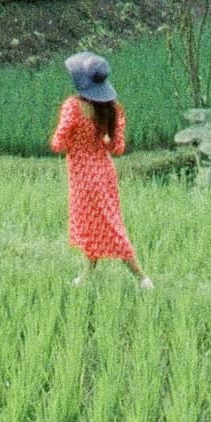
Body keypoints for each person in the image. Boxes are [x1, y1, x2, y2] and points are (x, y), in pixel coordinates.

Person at [48, 52, 148, 287]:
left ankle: (142, 278)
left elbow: (58, 143)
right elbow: (117, 147)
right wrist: (98, 140)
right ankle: (87, 274)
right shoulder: (114, 110)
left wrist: (78, 142)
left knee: (108, 226)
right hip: (104, 172)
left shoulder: (73, 107)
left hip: (83, 175)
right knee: (98, 222)